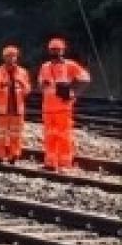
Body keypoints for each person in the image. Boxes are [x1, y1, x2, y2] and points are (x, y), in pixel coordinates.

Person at [36, 37, 92, 171]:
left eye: (58, 50)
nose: (55, 52)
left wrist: (73, 92)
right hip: (48, 108)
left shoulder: (70, 65)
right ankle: (50, 163)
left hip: (63, 108)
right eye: (53, 50)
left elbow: (85, 79)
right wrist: (43, 85)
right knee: (49, 135)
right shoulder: (45, 67)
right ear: (49, 51)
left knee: (64, 136)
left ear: (63, 50)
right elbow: (40, 86)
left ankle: (64, 164)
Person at [0, 45, 31, 164]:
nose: (11, 59)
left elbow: (27, 91)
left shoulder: (23, 72)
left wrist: (22, 84)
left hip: (17, 110)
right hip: (2, 111)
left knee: (16, 135)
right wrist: (0, 85)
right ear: (4, 57)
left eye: (13, 56)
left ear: (16, 57)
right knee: (0, 134)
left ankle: (14, 155)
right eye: (8, 56)